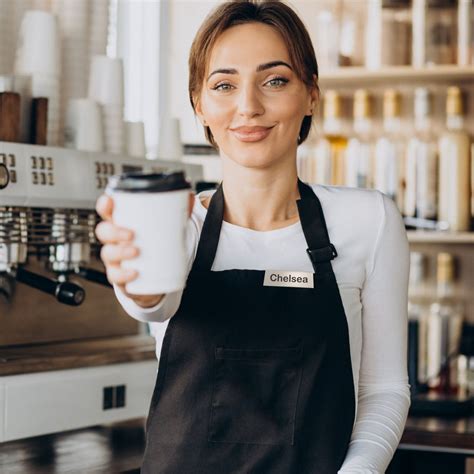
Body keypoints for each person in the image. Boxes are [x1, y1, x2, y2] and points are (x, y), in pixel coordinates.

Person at [95, 1, 411, 472]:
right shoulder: (175, 224)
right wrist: (134, 280)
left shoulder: (370, 221)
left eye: (275, 80)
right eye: (224, 85)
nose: (248, 106)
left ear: (310, 95)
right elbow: (152, 302)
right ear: (200, 107)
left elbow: (384, 389)